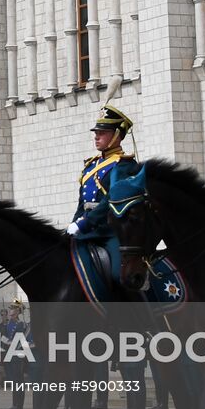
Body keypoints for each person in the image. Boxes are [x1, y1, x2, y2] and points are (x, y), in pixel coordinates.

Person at [65, 105, 142, 283]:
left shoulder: (125, 166)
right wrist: (74, 224)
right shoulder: (90, 166)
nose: (96, 136)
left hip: (111, 231)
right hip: (85, 229)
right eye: (96, 132)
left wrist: (85, 223)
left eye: (102, 133)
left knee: (121, 276)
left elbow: (111, 199)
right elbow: (82, 203)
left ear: (116, 135)